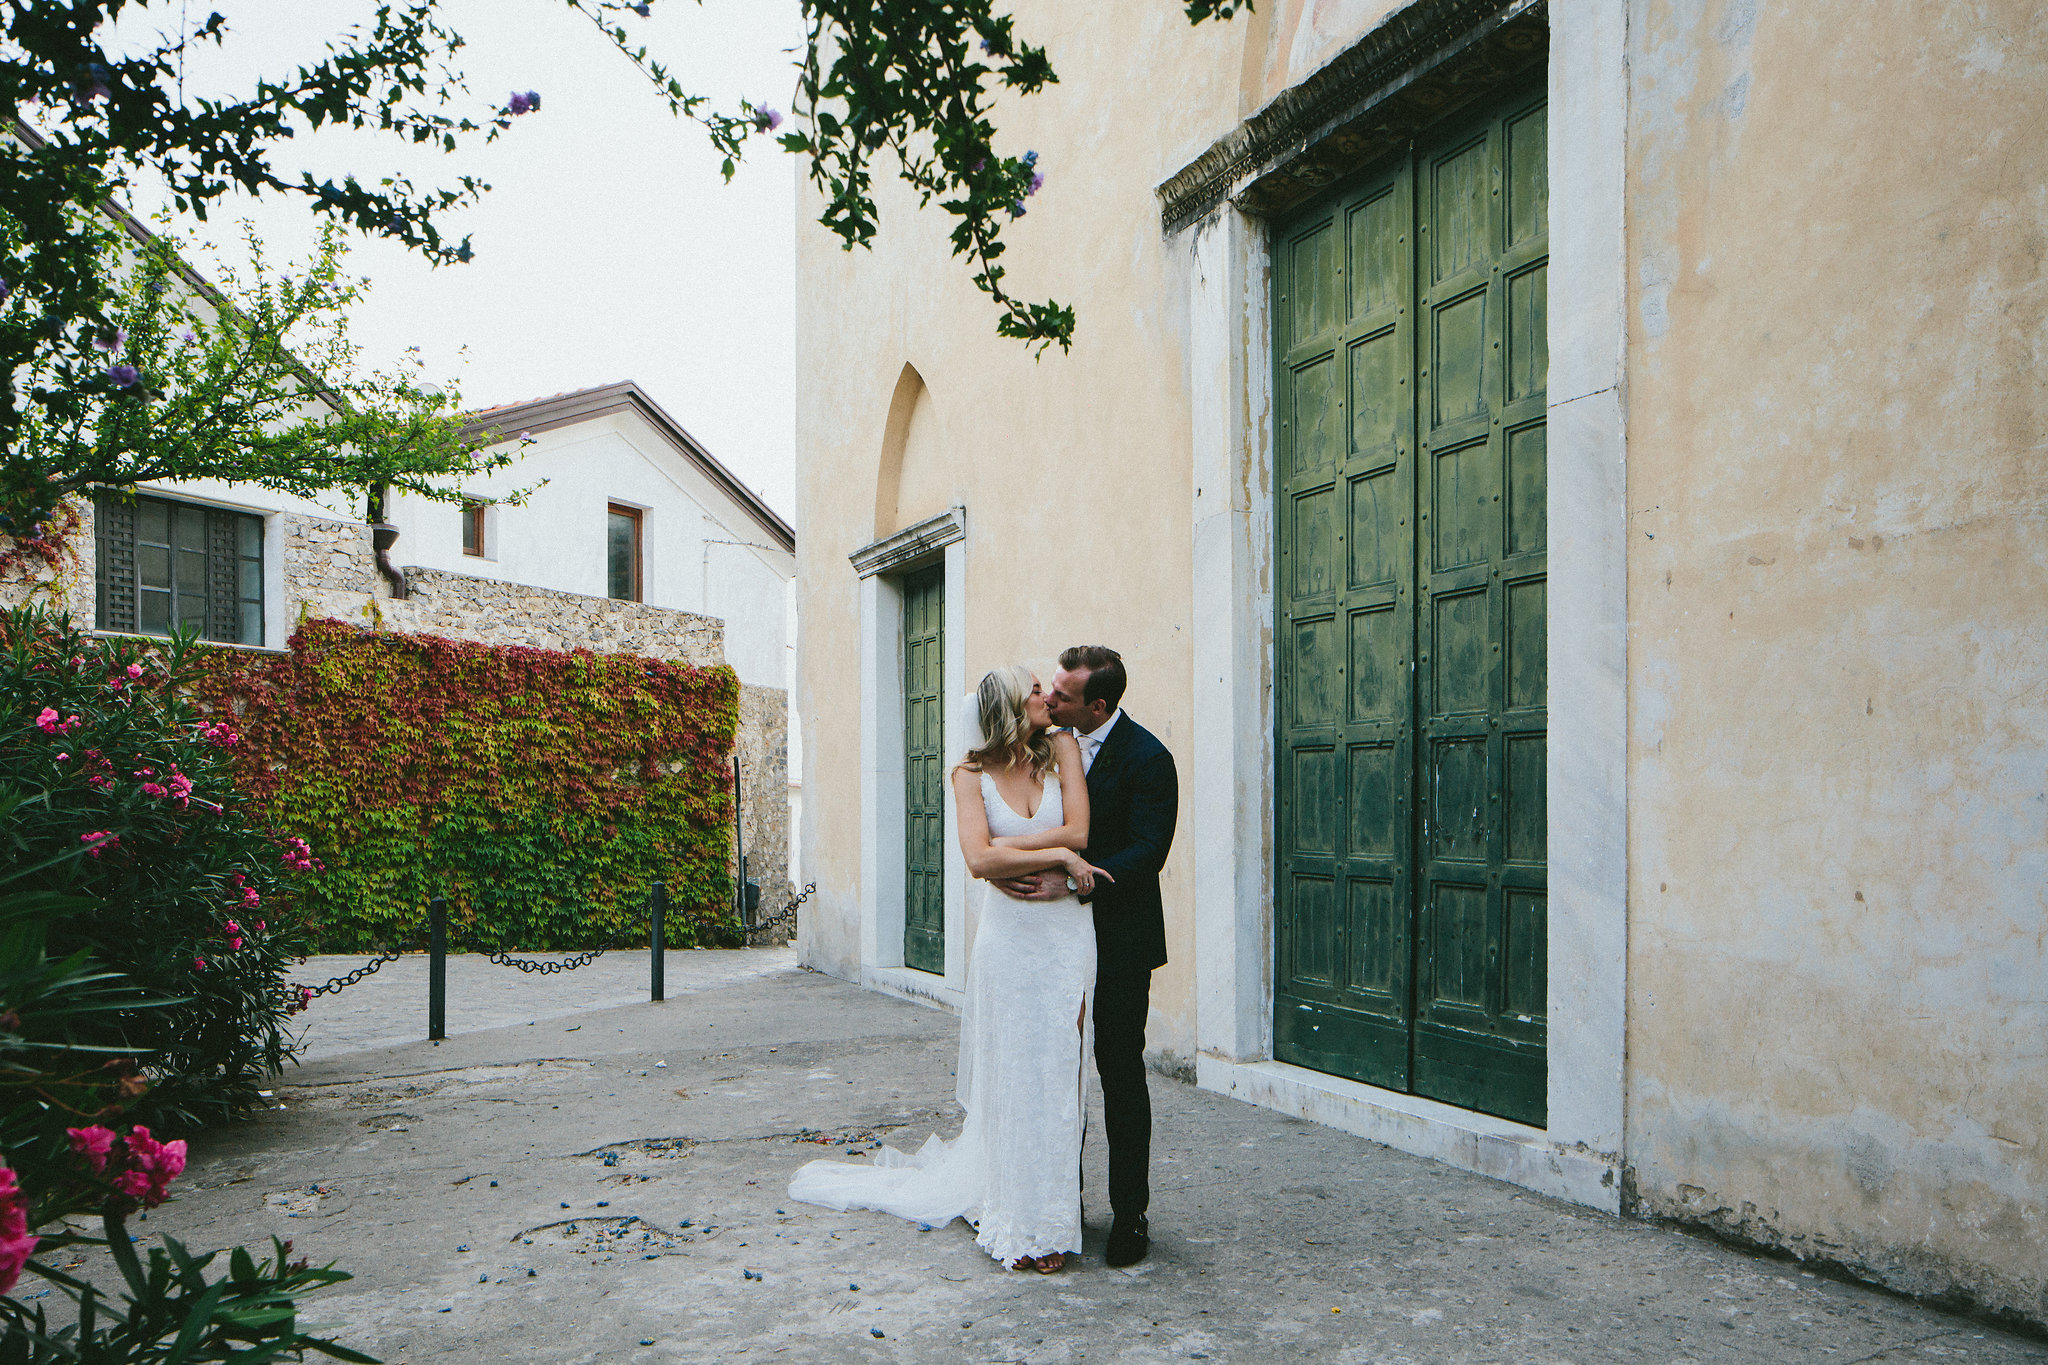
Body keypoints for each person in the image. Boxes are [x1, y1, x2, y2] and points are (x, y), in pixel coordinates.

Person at [788, 665, 1108, 1272]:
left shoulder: (1062, 747)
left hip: (1066, 936)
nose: (1049, 698)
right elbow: (978, 857)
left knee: (1060, 1073)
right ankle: (1018, 1218)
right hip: (1008, 942)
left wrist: (1057, 849)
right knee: (1013, 1075)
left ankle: (1055, 1223)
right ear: (1013, 708)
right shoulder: (969, 775)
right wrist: (1060, 853)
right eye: (1035, 691)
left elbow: (1082, 828)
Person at [994, 645, 1177, 1268]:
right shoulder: (1044, 746)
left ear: (1099, 705)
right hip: (1048, 942)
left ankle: (1130, 1216)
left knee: (1120, 1075)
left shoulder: (1151, 759)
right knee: (1053, 1075)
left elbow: (1148, 853)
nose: (1050, 701)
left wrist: (1075, 879)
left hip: (1121, 943)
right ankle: (1058, 1207)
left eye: (1064, 697)